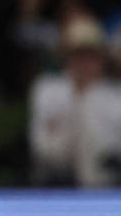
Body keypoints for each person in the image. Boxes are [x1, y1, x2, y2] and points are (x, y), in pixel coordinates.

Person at [29, 14, 121, 187]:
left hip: (107, 189)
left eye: (91, 55)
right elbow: (42, 147)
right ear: (67, 57)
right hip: (55, 185)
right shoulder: (48, 89)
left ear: (102, 57)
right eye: (79, 54)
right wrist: (77, 96)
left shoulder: (116, 96)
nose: (85, 62)